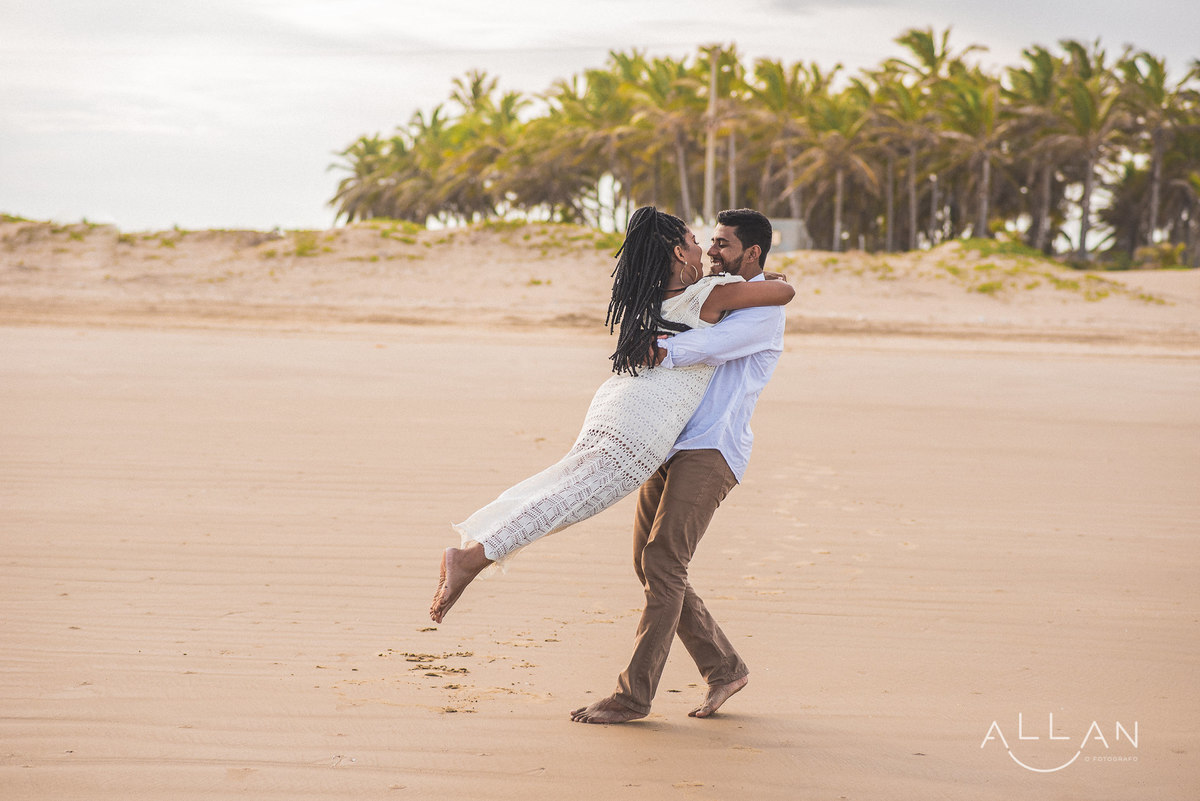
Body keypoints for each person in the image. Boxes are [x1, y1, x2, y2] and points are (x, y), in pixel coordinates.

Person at [430, 207, 794, 625]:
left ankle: (476, 551)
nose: (705, 250)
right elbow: (784, 296)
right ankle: (472, 558)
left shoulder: (655, 292)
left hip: (618, 401)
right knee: (579, 496)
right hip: (646, 418)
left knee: (565, 483)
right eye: (696, 242)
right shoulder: (708, 294)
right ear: (678, 253)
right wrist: (772, 280)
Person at [570, 208, 784, 724]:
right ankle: (725, 668)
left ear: (752, 253)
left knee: (665, 563)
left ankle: (633, 695)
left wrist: (656, 348)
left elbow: (706, 347)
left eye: (723, 244)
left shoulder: (762, 311)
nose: (711, 251)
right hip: (666, 443)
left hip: (711, 449)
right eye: (707, 241)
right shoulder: (710, 294)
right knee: (649, 564)